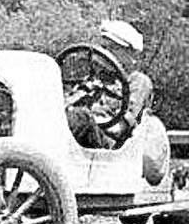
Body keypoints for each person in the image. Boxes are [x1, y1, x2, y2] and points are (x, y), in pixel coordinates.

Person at [65, 19, 155, 150]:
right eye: (103, 47)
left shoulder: (138, 81)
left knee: (81, 117)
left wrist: (90, 120)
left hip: (112, 148)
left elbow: (120, 129)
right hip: (82, 140)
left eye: (111, 48)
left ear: (130, 54)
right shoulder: (93, 79)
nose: (103, 53)